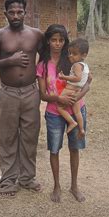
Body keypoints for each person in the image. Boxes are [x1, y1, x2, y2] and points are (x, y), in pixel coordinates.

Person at [0, 0, 43, 197]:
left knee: (30, 135)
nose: (16, 15)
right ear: (5, 13)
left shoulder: (36, 35)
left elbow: (47, 59)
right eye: (12, 12)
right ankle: (8, 180)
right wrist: (9, 61)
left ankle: (27, 178)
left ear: (26, 13)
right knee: (7, 136)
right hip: (8, 93)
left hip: (30, 92)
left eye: (19, 12)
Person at [36, 25, 91, 202]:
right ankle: (57, 186)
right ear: (48, 41)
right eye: (53, 40)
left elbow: (87, 83)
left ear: (65, 41)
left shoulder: (73, 60)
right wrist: (59, 99)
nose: (57, 44)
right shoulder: (43, 65)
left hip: (76, 109)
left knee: (75, 148)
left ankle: (74, 186)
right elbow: (42, 94)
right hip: (54, 112)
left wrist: (75, 99)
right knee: (54, 149)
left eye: (61, 40)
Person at [56, 38, 90, 138]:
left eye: (74, 54)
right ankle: (81, 129)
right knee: (77, 111)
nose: (71, 56)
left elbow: (77, 78)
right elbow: (83, 79)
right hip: (77, 91)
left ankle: (71, 122)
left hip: (70, 90)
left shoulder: (76, 65)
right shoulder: (85, 66)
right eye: (70, 53)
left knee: (60, 107)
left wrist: (63, 77)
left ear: (83, 55)